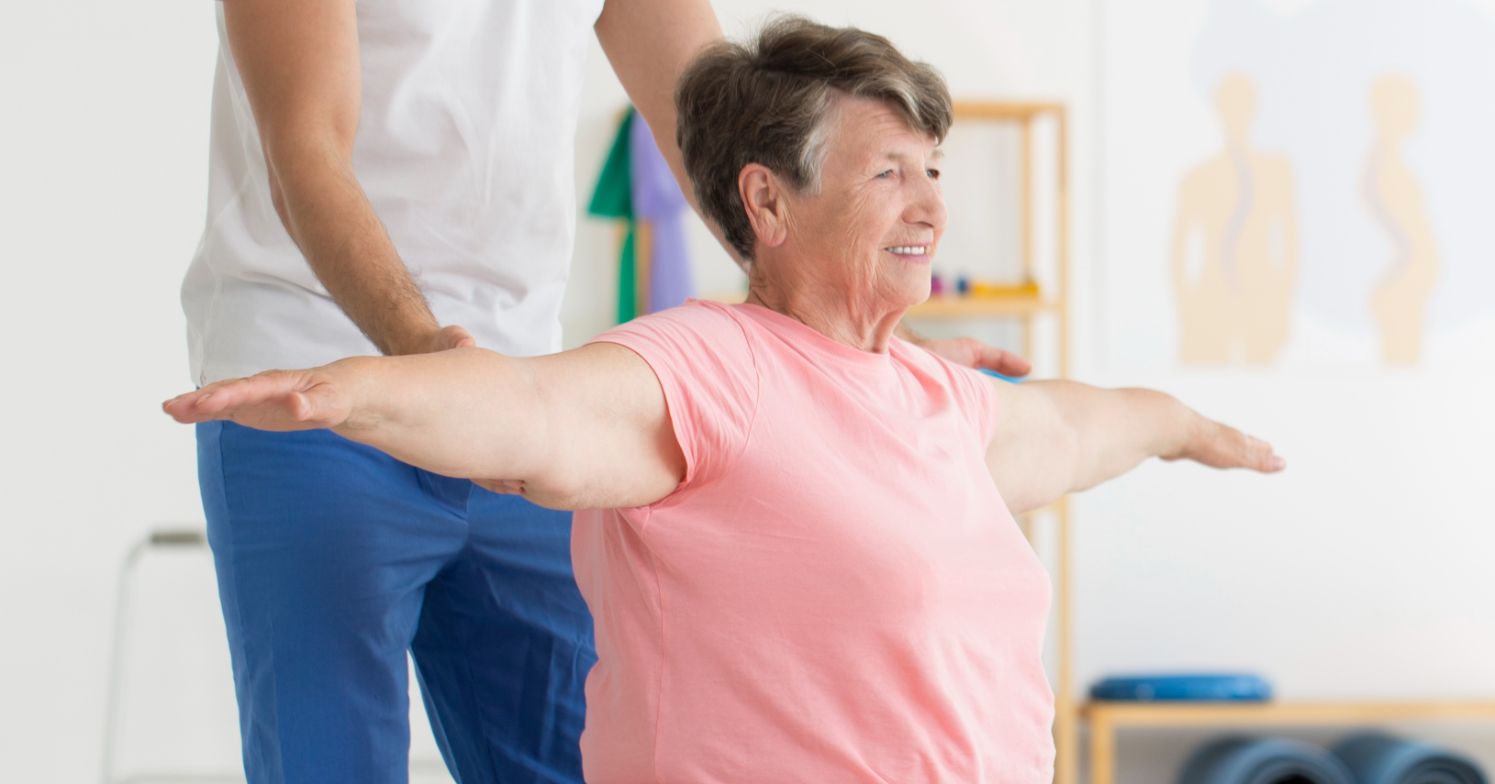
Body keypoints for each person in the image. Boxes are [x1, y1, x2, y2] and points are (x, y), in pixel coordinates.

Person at [169, 18, 1284, 781]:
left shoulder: (809, 369)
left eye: (931, 171)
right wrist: (418, 364)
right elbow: (304, 146)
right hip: (320, 368)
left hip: (507, 358)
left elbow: (723, 124)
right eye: (900, 172)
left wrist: (851, 352)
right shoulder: (663, 383)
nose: (929, 200)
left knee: (560, 749)